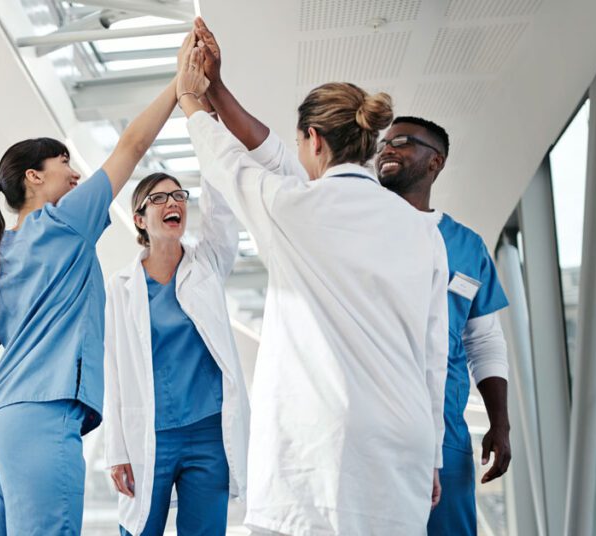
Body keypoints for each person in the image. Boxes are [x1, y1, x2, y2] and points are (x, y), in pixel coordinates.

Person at [177, 19, 449, 535]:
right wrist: (432, 448)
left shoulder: (293, 209)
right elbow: (434, 356)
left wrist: (192, 97)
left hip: (324, 450)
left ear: (315, 140)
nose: (295, 154)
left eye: (300, 143)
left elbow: (228, 163)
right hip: (405, 444)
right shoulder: (422, 232)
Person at [0, 32, 195, 535]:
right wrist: (179, 84)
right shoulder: (65, 221)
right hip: (40, 422)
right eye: (64, 162)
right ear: (34, 178)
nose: (77, 173)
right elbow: (132, 145)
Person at [376, 116, 511, 536]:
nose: (387, 149)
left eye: (402, 142)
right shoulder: (361, 228)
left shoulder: (467, 246)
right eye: (384, 142)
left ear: (436, 161)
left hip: (444, 433)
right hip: (370, 430)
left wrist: (500, 424)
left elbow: (484, 340)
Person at [103, 167, 250, 535]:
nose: (172, 203)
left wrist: (205, 127)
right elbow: (113, 370)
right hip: (150, 433)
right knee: (138, 529)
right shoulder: (121, 287)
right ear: (139, 219)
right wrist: (117, 451)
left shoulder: (208, 264)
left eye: (178, 196)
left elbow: (220, 214)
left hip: (208, 434)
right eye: (158, 199)